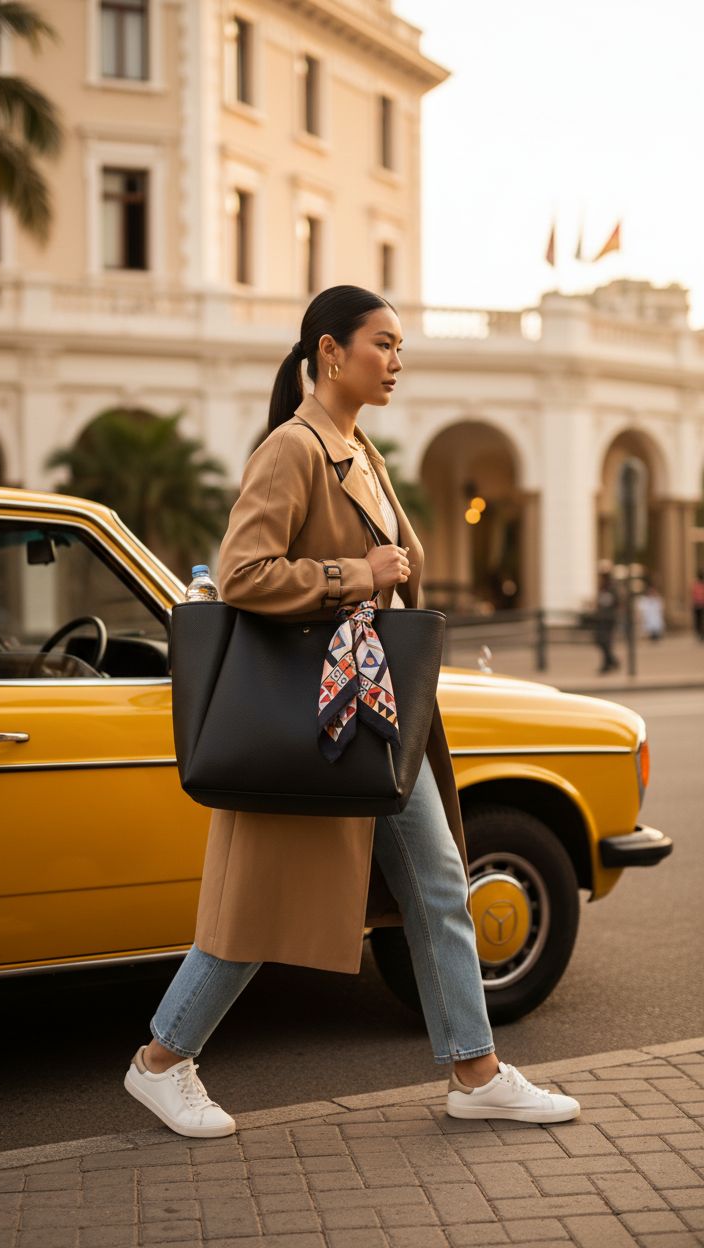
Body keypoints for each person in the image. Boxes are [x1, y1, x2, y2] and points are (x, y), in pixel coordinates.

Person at [124, 285, 580, 1137]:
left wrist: (389, 570)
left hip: (368, 712)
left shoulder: (356, 448)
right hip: (315, 719)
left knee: (442, 884)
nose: (398, 359)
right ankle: (162, 1059)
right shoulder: (292, 449)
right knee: (258, 907)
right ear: (330, 352)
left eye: (401, 344)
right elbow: (243, 575)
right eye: (383, 343)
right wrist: (354, 576)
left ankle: (475, 1073)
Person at [593, 567, 620, 673]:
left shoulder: (611, 588)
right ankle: (611, 661)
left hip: (608, 619)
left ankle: (608, 663)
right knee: (601, 641)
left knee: (605, 641)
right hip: (602, 618)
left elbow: (615, 602)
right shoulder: (603, 588)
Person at [692, 571, 704, 642]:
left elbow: (693, 595)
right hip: (700, 605)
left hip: (697, 605)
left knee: (698, 621)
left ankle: (700, 633)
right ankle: (700, 634)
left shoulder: (695, 585)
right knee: (699, 621)